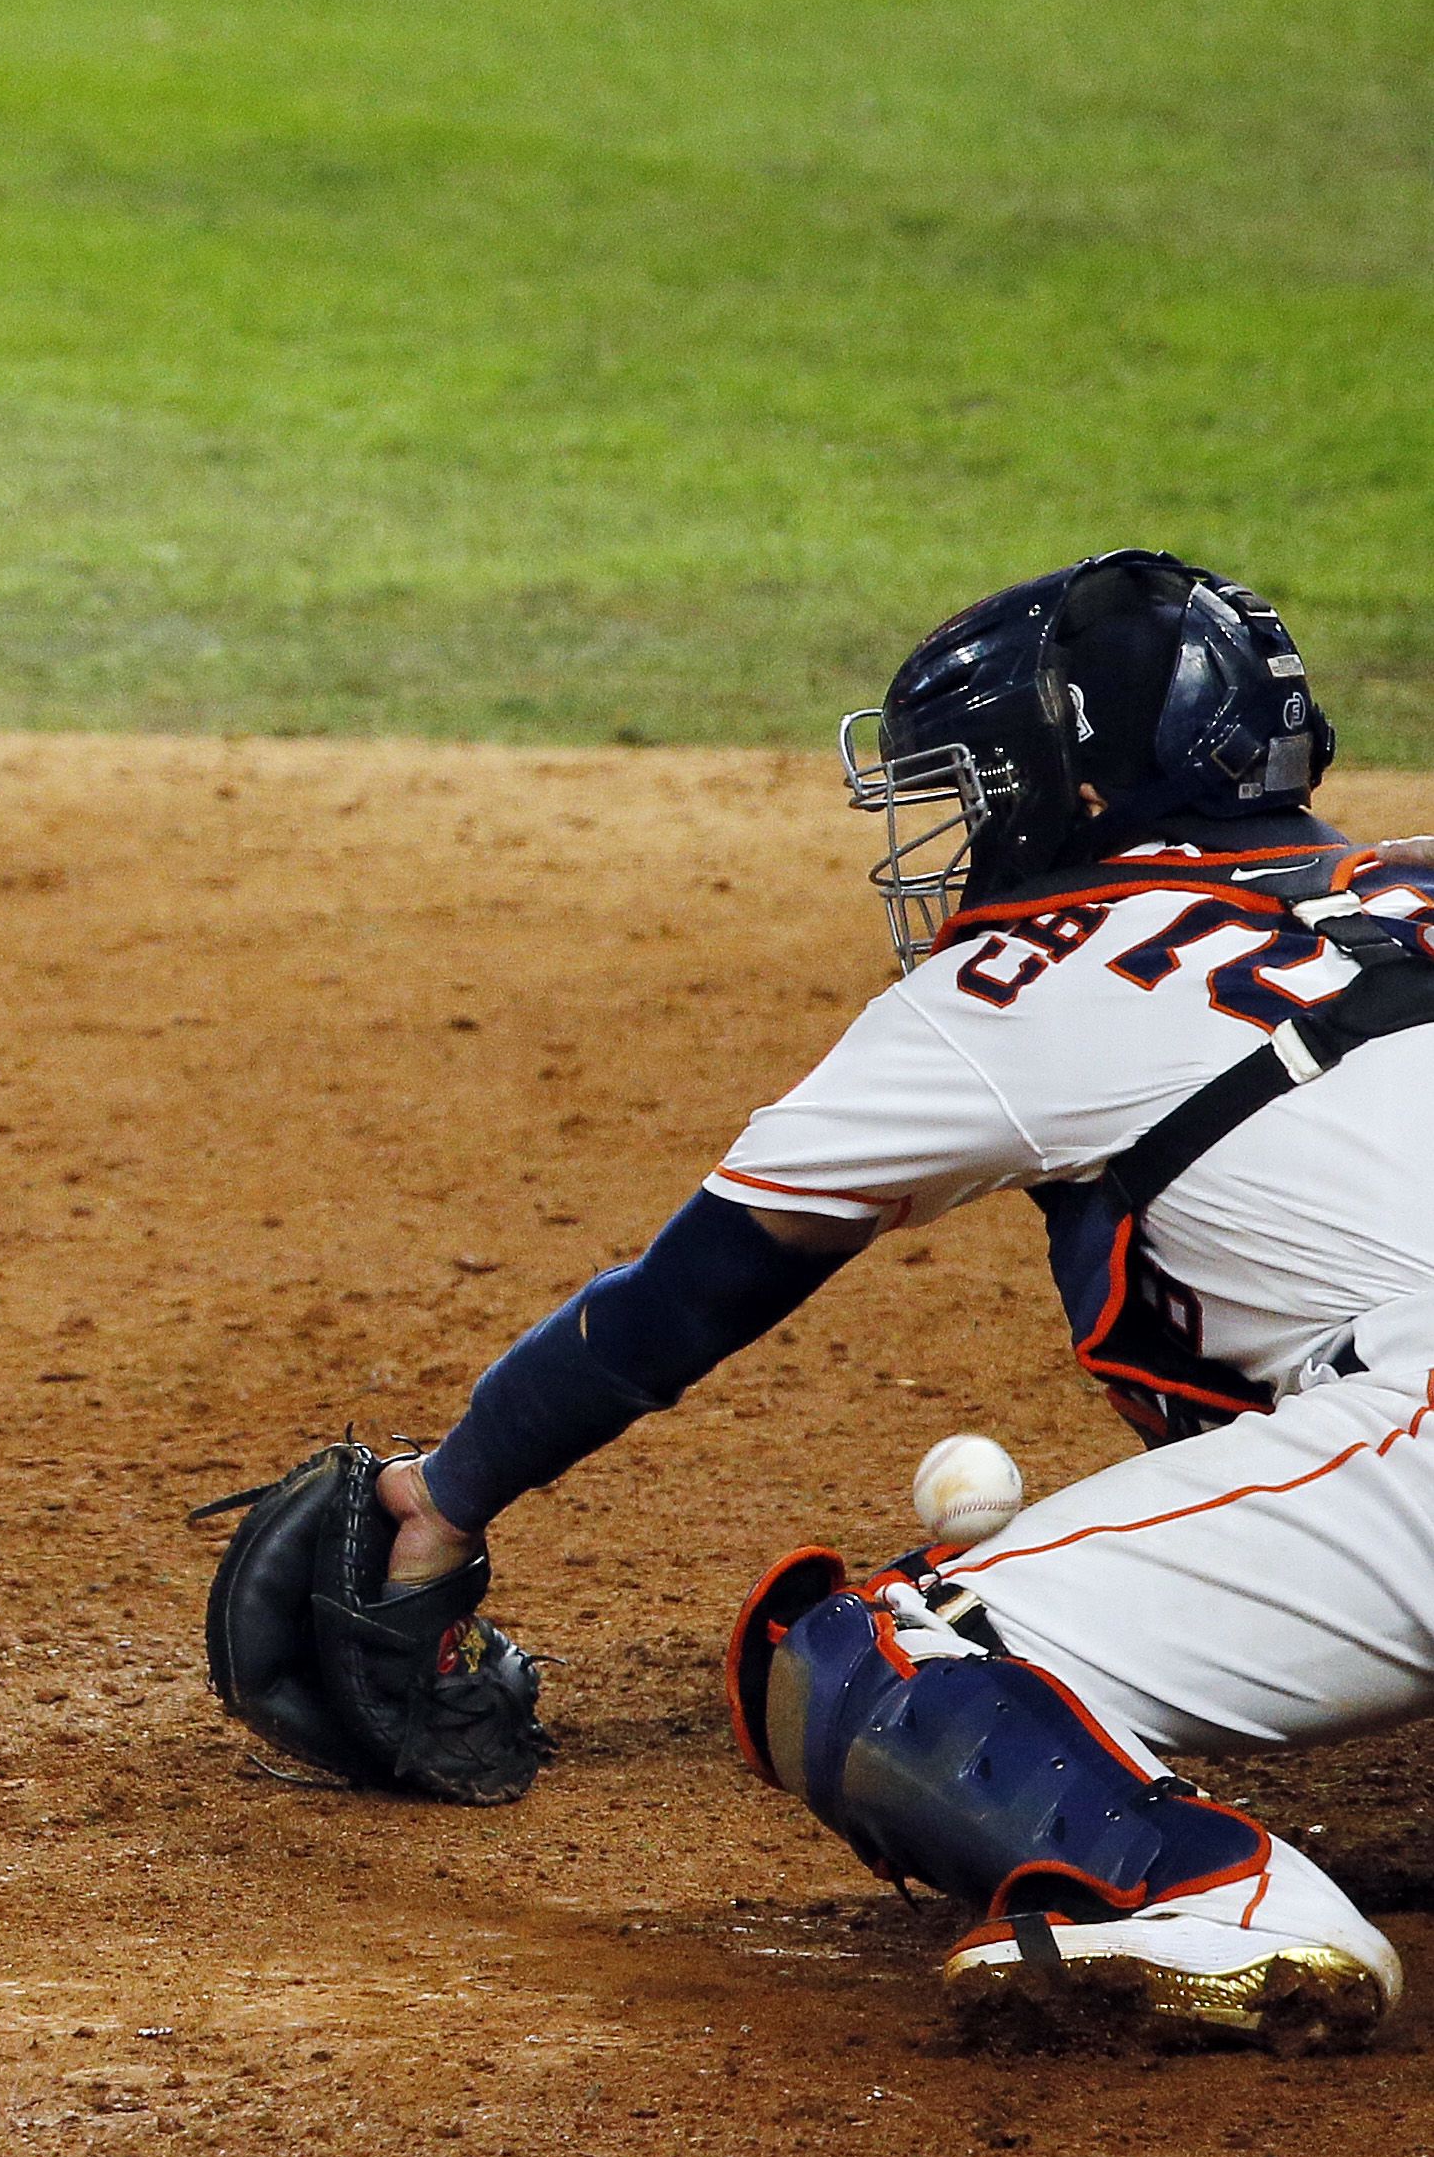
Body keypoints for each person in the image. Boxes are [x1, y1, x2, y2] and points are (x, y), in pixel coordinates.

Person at [214, 550, 1434, 2047]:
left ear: (1083, 784)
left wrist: (449, 1494)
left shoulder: (1022, 977)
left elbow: (690, 1290)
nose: (964, 825)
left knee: (892, 1656)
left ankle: (1203, 1898)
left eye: (979, 779)